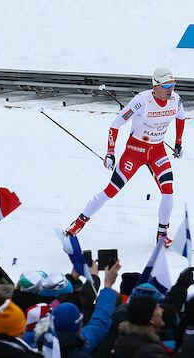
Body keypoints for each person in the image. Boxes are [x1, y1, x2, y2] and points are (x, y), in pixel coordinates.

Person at [64, 67, 186, 245]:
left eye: (173, 85)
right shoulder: (141, 101)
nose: (171, 89)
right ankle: (78, 224)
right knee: (111, 190)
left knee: (168, 192)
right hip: (135, 152)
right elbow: (115, 125)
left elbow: (181, 117)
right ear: (156, 85)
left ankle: (162, 234)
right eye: (167, 85)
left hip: (158, 151)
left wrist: (178, 142)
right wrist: (110, 153)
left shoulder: (176, 100)